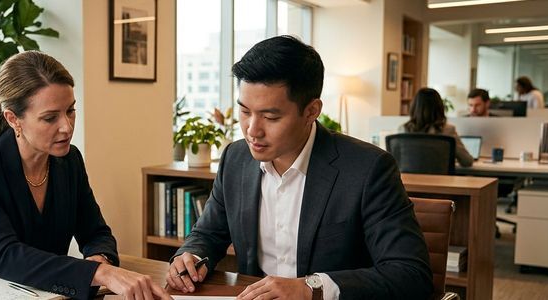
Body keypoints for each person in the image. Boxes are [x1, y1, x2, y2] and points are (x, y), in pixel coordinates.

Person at [166, 36, 432, 300]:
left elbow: (410, 274)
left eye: (270, 117)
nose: (252, 130)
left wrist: (311, 287)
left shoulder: (368, 169)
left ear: (311, 111)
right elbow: (208, 233)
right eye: (245, 112)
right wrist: (191, 256)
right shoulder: (235, 159)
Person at [0, 51, 171, 300]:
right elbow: (6, 256)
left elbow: (96, 232)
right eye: (50, 118)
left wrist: (101, 260)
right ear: (13, 119)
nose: (66, 126)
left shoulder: (69, 160)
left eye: (70, 111)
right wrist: (100, 273)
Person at [401, 88, 474, 167]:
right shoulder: (448, 130)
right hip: (440, 179)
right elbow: (467, 161)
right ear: (439, 107)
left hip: (408, 179)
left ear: (414, 107)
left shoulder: (403, 129)